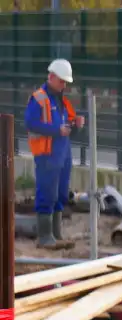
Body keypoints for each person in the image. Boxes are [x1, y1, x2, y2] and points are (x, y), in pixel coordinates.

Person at [25, 58, 82, 250]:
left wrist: (77, 126)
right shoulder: (39, 98)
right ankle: (44, 236)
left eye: (66, 82)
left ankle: (56, 234)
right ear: (51, 77)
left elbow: (69, 126)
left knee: (60, 193)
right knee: (47, 193)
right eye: (61, 81)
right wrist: (57, 130)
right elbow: (31, 123)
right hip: (47, 154)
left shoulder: (62, 100)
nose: (64, 85)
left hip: (62, 153)